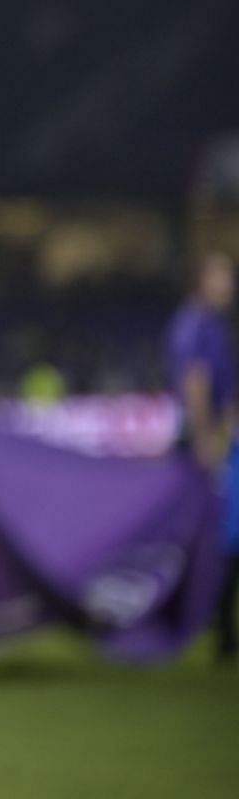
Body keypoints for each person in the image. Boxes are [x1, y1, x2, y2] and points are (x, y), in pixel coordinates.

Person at [165, 250, 237, 663]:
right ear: (200, 279)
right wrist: (207, 436)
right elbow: (195, 381)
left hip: (208, 435)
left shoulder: (210, 323)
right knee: (213, 533)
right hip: (201, 438)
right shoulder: (197, 323)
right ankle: (204, 618)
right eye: (221, 273)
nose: (229, 281)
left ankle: (215, 621)